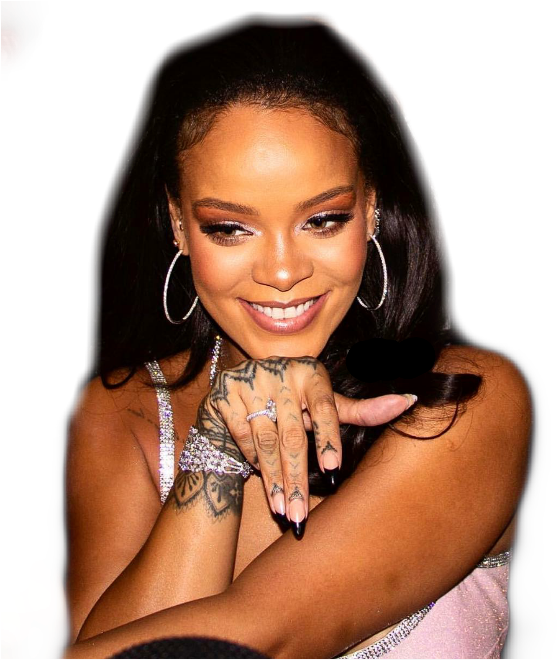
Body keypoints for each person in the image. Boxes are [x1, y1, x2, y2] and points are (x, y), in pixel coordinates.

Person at [59, 12, 533, 660]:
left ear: (372, 207)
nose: (282, 273)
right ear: (177, 222)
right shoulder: (124, 416)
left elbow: (265, 637)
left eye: (323, 219)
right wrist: (217, 447)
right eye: (230, 228)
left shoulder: (462, 400)